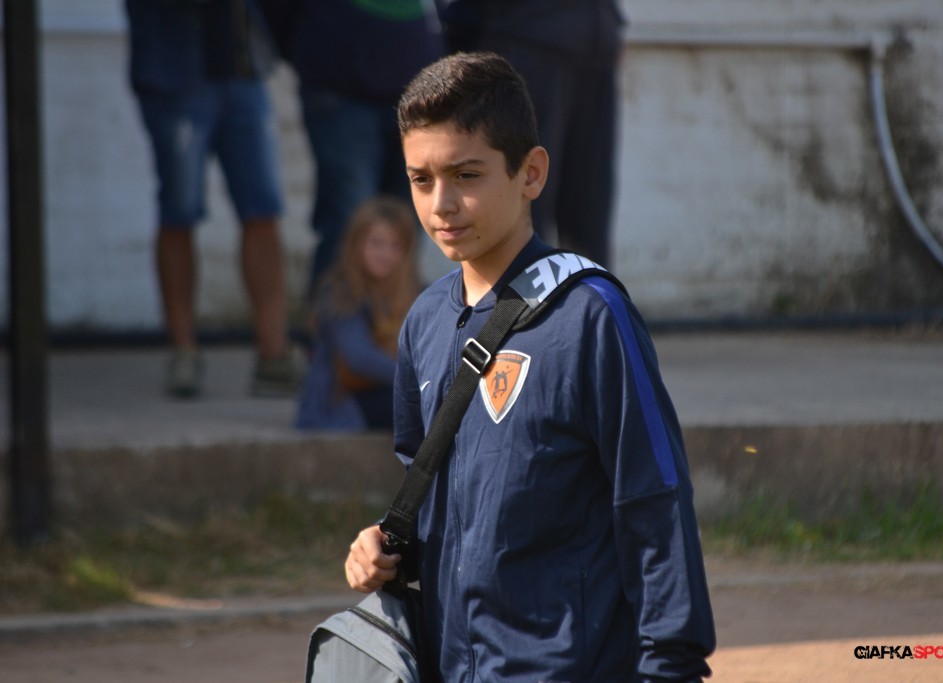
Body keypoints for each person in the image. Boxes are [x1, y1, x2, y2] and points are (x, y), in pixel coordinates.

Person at [344, 52, 716, 681]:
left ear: (531, 173)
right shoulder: (424, 320)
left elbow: (652, 501)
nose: (441, 204)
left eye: (466, 174)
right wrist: (383, 541)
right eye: (420, 179)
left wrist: (670, 667)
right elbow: (432, 491)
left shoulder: (590, 316)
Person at [125, 0, 306, 398]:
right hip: (173, 70)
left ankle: (273, 354)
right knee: (179, 211)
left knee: (263, 208)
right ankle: (184, 352)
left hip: (243, 68)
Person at [258, 0, 443, 299]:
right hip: (339, 85)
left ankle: (395, 324)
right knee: (350, 223)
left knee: (407, 224)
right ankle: (335, 325)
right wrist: (315, 44)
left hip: (421, 92)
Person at [437, 0, 624, 266]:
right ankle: (517, 291)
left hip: (594, 44)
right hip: (525, 39)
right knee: (527, 194)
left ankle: (589, 290)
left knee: (590, 205)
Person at [294, 195, 420, 431]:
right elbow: (360, 358)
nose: (385, 254)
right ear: (356, 244)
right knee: (421, 405)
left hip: (384, 390)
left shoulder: (414, 293)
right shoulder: (339, 293)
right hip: (337, 408)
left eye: (395, 246)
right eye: (376, 243)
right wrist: (420, 380)